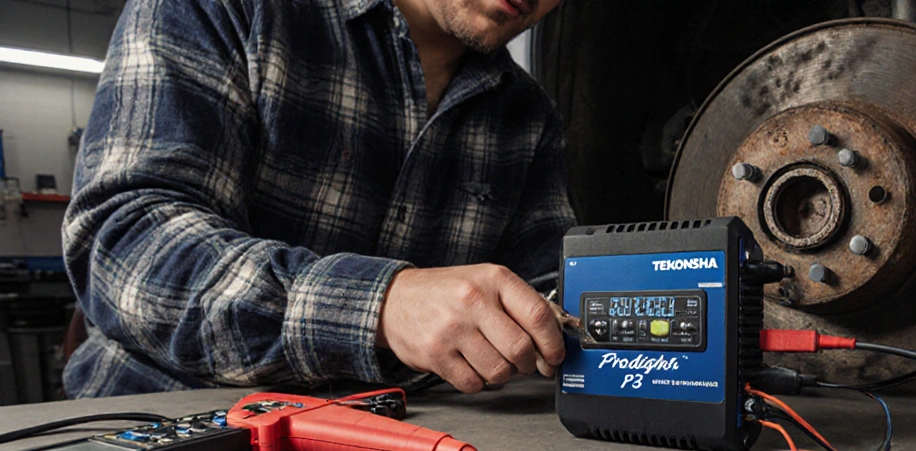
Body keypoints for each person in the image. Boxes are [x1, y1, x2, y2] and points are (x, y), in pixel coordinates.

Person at [61, 0, 573, 397]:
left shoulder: (529, 118)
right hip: (158, 431)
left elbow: (550, 296)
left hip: (392, 449)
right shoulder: (231, 9)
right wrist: (382, 306)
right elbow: (123, 247)